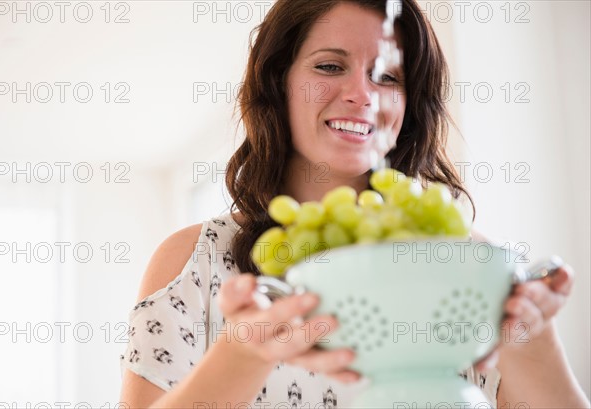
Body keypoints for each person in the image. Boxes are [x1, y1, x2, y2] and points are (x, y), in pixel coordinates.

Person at [119, 0, 590, 408]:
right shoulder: (192, 261)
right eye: (329, 66)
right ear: (278, 83)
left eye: (387, 76)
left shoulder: (468, 265)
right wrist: (242, 354)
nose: (362, 95)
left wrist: (534, 340)